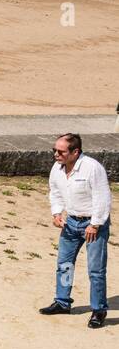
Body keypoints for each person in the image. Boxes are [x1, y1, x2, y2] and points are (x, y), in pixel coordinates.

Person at [40, 133, 111, 329]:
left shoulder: (92, 168)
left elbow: (102, 198)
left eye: (61, 151)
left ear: (75, 152)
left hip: (93, 225)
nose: (56, 154)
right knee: (64, 264)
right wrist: (56, 213)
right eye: (54, 150)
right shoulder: (57, 167)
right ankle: (62, 302)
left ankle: (99, 310)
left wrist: (95, 224)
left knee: (96, 270)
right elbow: (54, 191)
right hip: (70, 223)